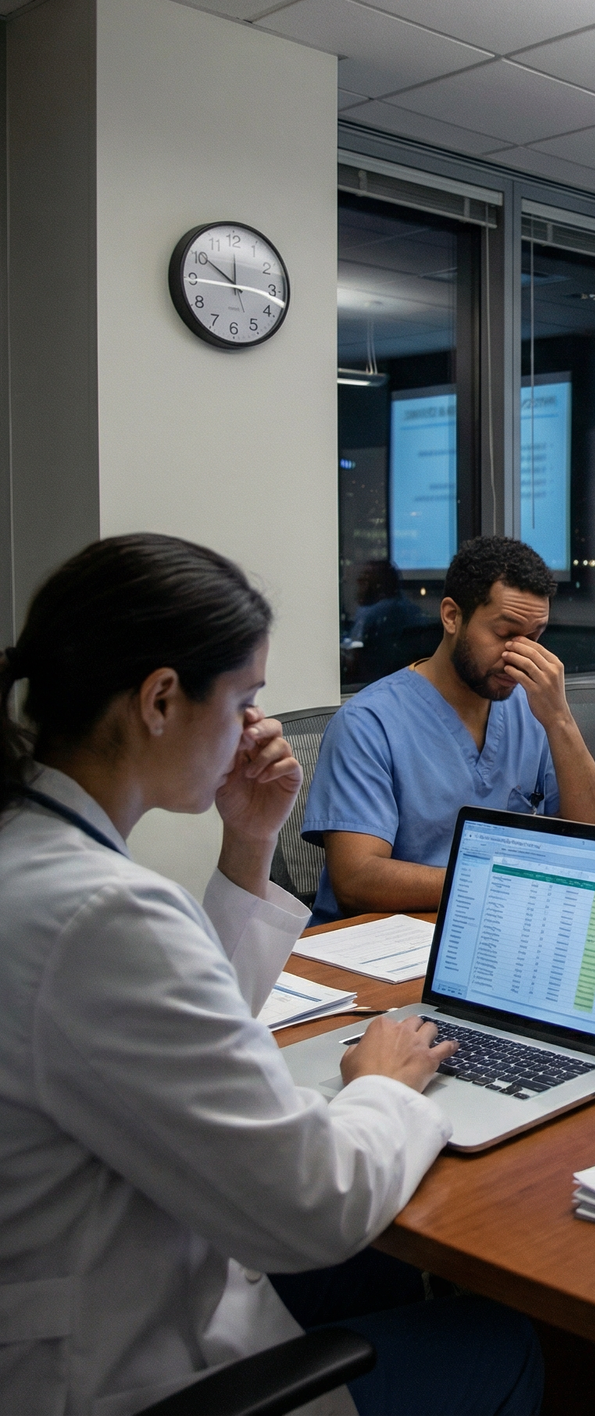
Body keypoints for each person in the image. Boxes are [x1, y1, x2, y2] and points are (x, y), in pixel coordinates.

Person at [0, 534, 540, 1416]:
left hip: (133, 1260)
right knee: (501, 1339)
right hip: (123, 1369)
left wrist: (250, 842)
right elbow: (316, 1206)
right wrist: (385, 1085)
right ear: (161, 700)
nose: (258, 728)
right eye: (246, 700)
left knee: (390, 1269)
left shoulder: (37, 855)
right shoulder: (101, 913)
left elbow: (181, 1014)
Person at [303, 536, 595, 921]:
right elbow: (356, 879)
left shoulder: (534, 710)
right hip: (387, 939)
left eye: (535, 637)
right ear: (451, 616)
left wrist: (560, 720)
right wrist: (494, 882)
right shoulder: (368, 724)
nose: (520, 655)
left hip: (494, 925)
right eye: (505, 634)